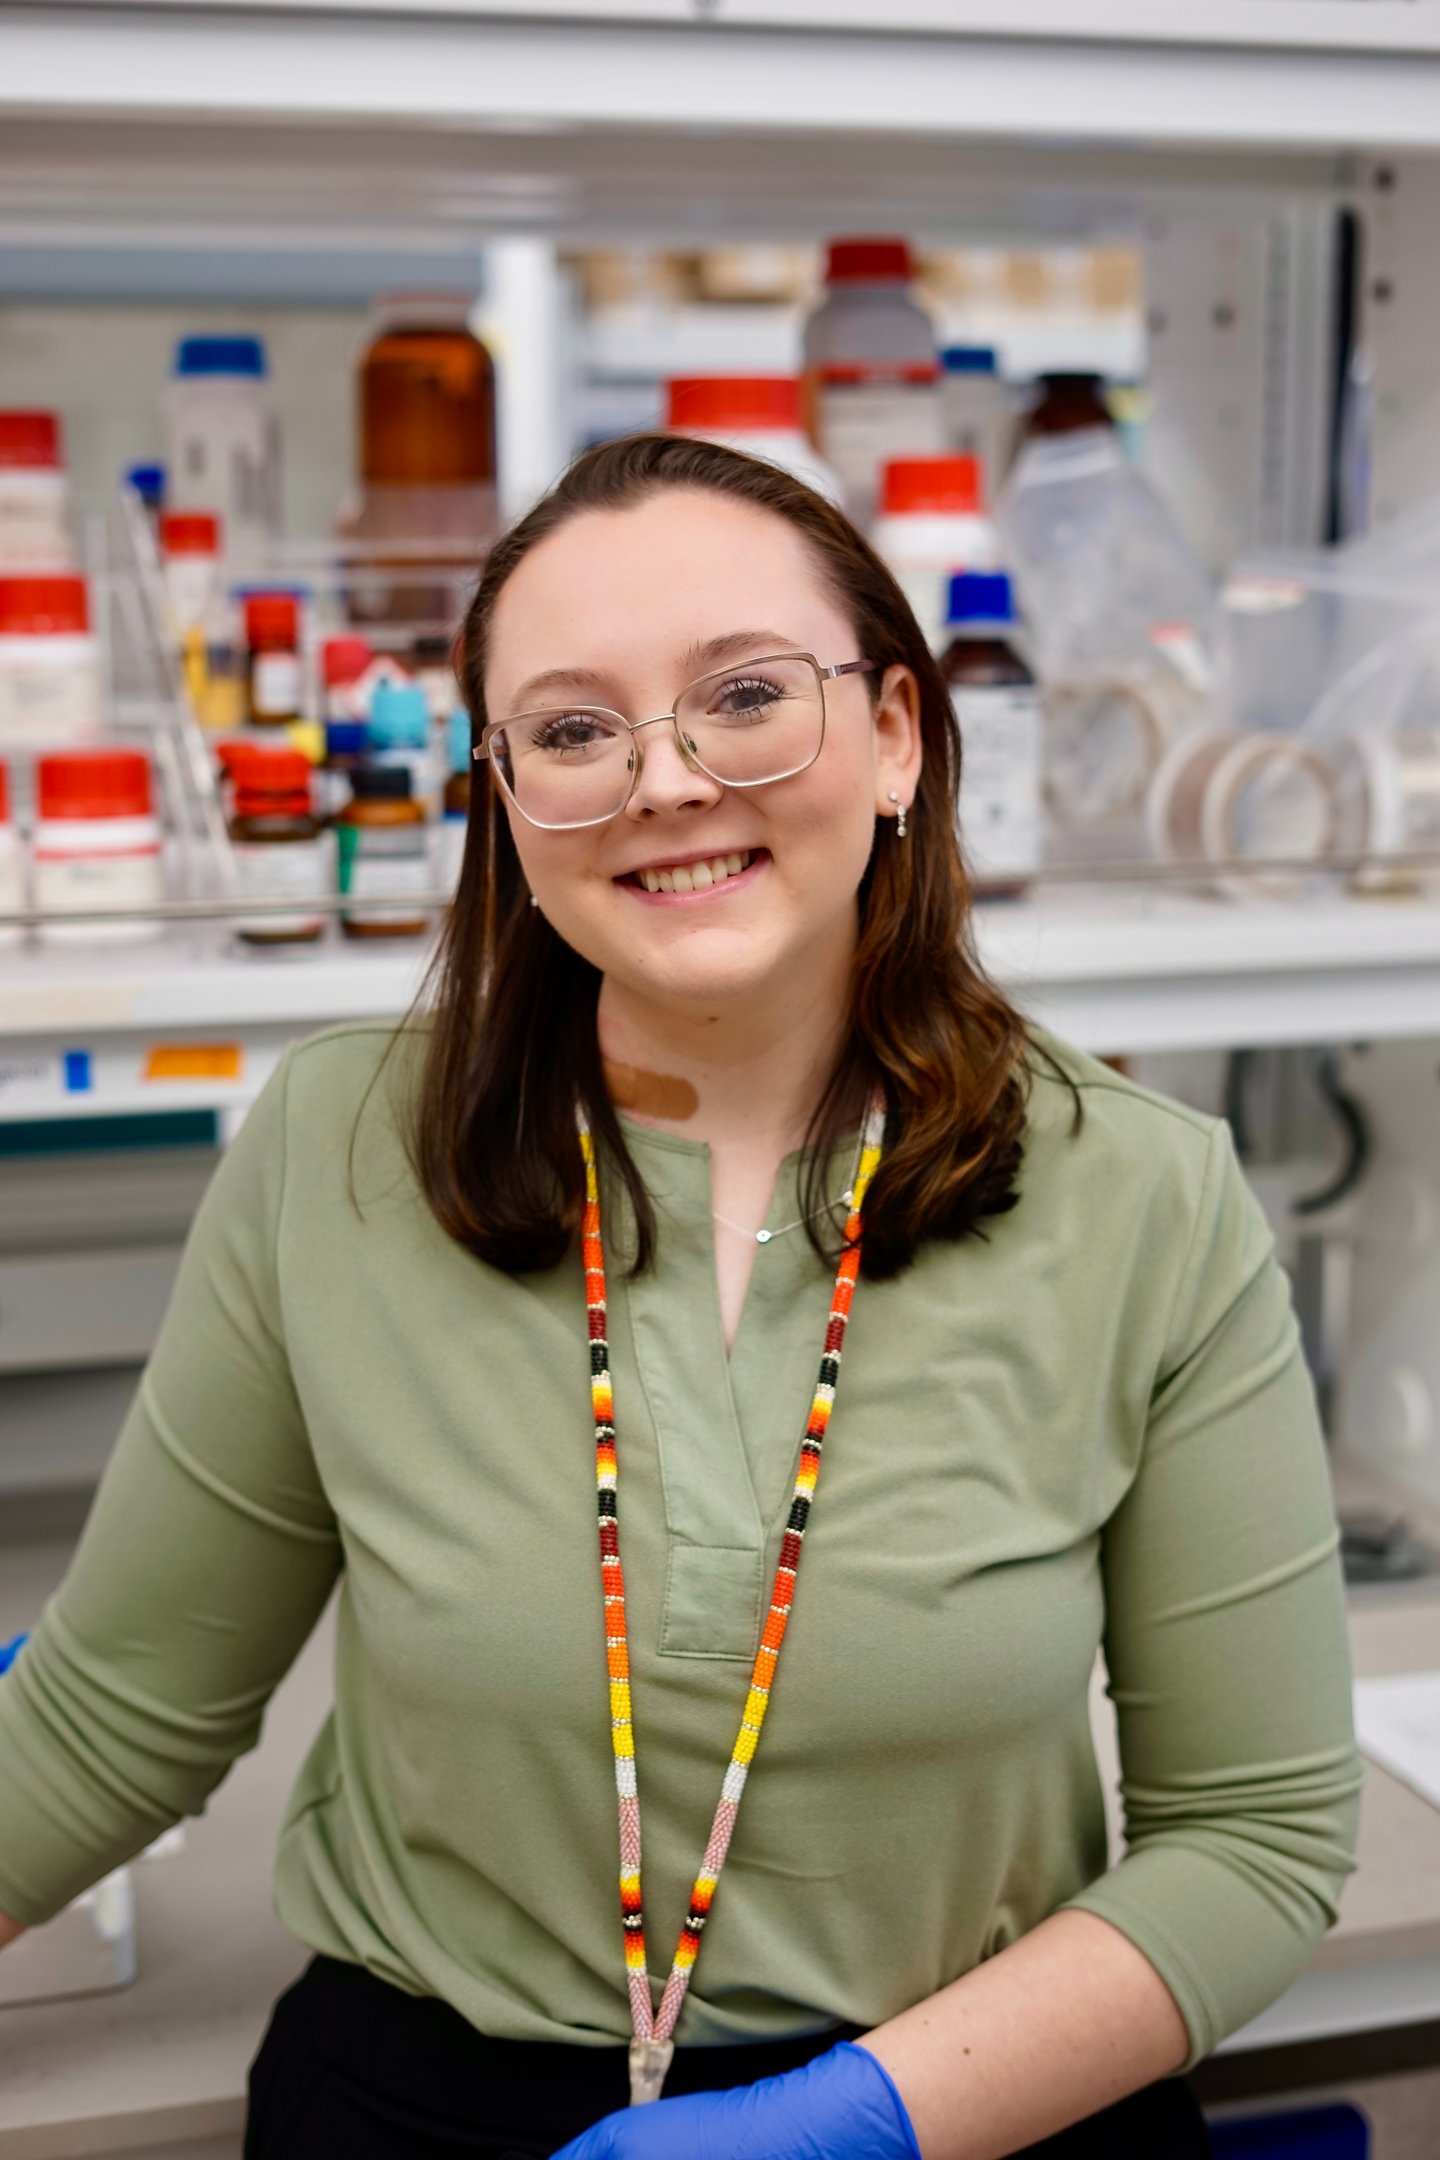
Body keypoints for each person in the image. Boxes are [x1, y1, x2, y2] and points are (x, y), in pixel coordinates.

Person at [0, 434, 1362, 2159]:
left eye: (743, 696)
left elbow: (1255, 1836)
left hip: (983, 2110)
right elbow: (108, 1719)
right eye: (572, 729)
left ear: (894, 735)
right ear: (502, 794)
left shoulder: (1145, 1195)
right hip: (422, 2108)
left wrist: (860, 2122)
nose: (662, 780)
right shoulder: (340, 1148)